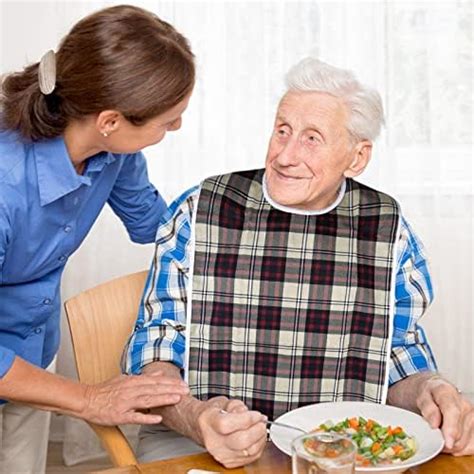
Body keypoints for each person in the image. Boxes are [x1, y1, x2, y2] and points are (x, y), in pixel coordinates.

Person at [122, 57, 474, 469]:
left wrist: (430, 389)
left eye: (311, 139)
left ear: (356, 157)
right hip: (196, 441)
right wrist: (193, 417)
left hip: (339, 454)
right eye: (282, 131)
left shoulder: (388, 227)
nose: (285, 156)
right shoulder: (201, 209)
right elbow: (156, 346)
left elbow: (395, 355)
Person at [0, 5, 196, 473]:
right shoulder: (5, 182)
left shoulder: (113, 152)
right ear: (110, 120)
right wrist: (88, 398)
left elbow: (156, 225)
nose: (176, 129)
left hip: (29, 356)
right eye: (168, 121)